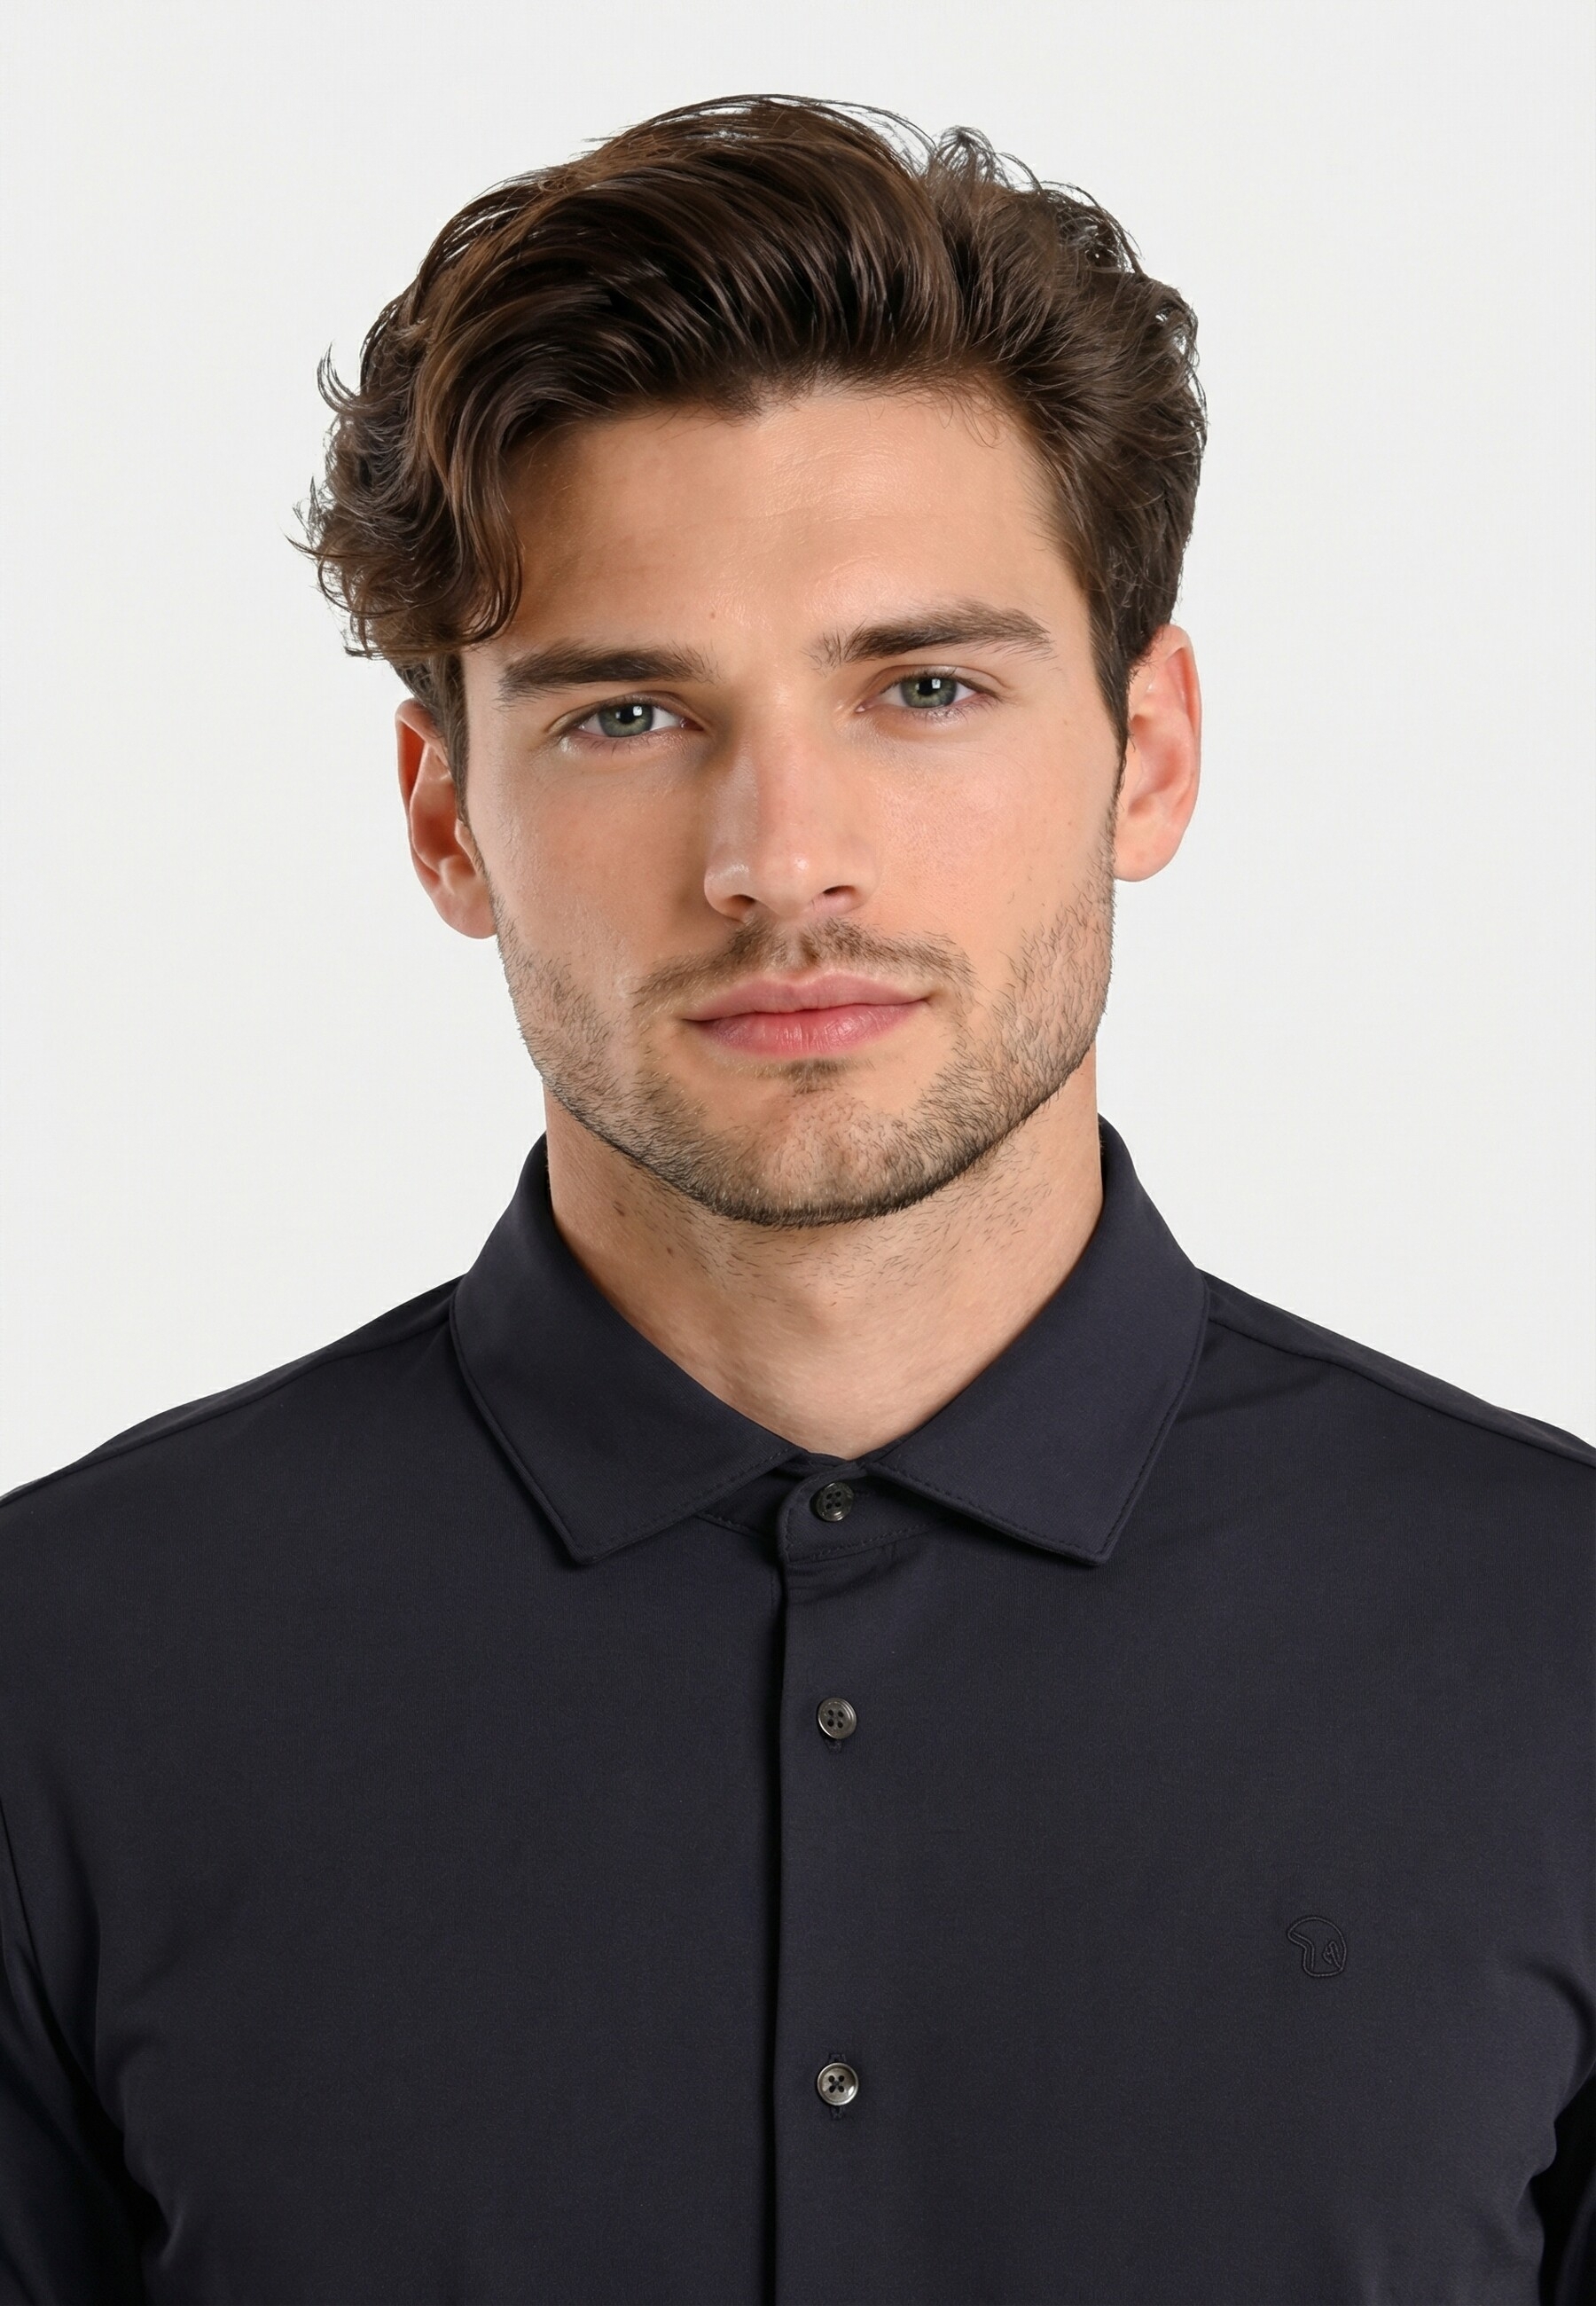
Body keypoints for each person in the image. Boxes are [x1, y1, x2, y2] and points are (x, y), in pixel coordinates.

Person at [0, 93, 1589, 2306]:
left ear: (1147, 752)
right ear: (446, 819)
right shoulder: (60, 1680)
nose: (780, 856)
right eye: (630, 713)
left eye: (922, 687)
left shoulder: (1556, 1648)